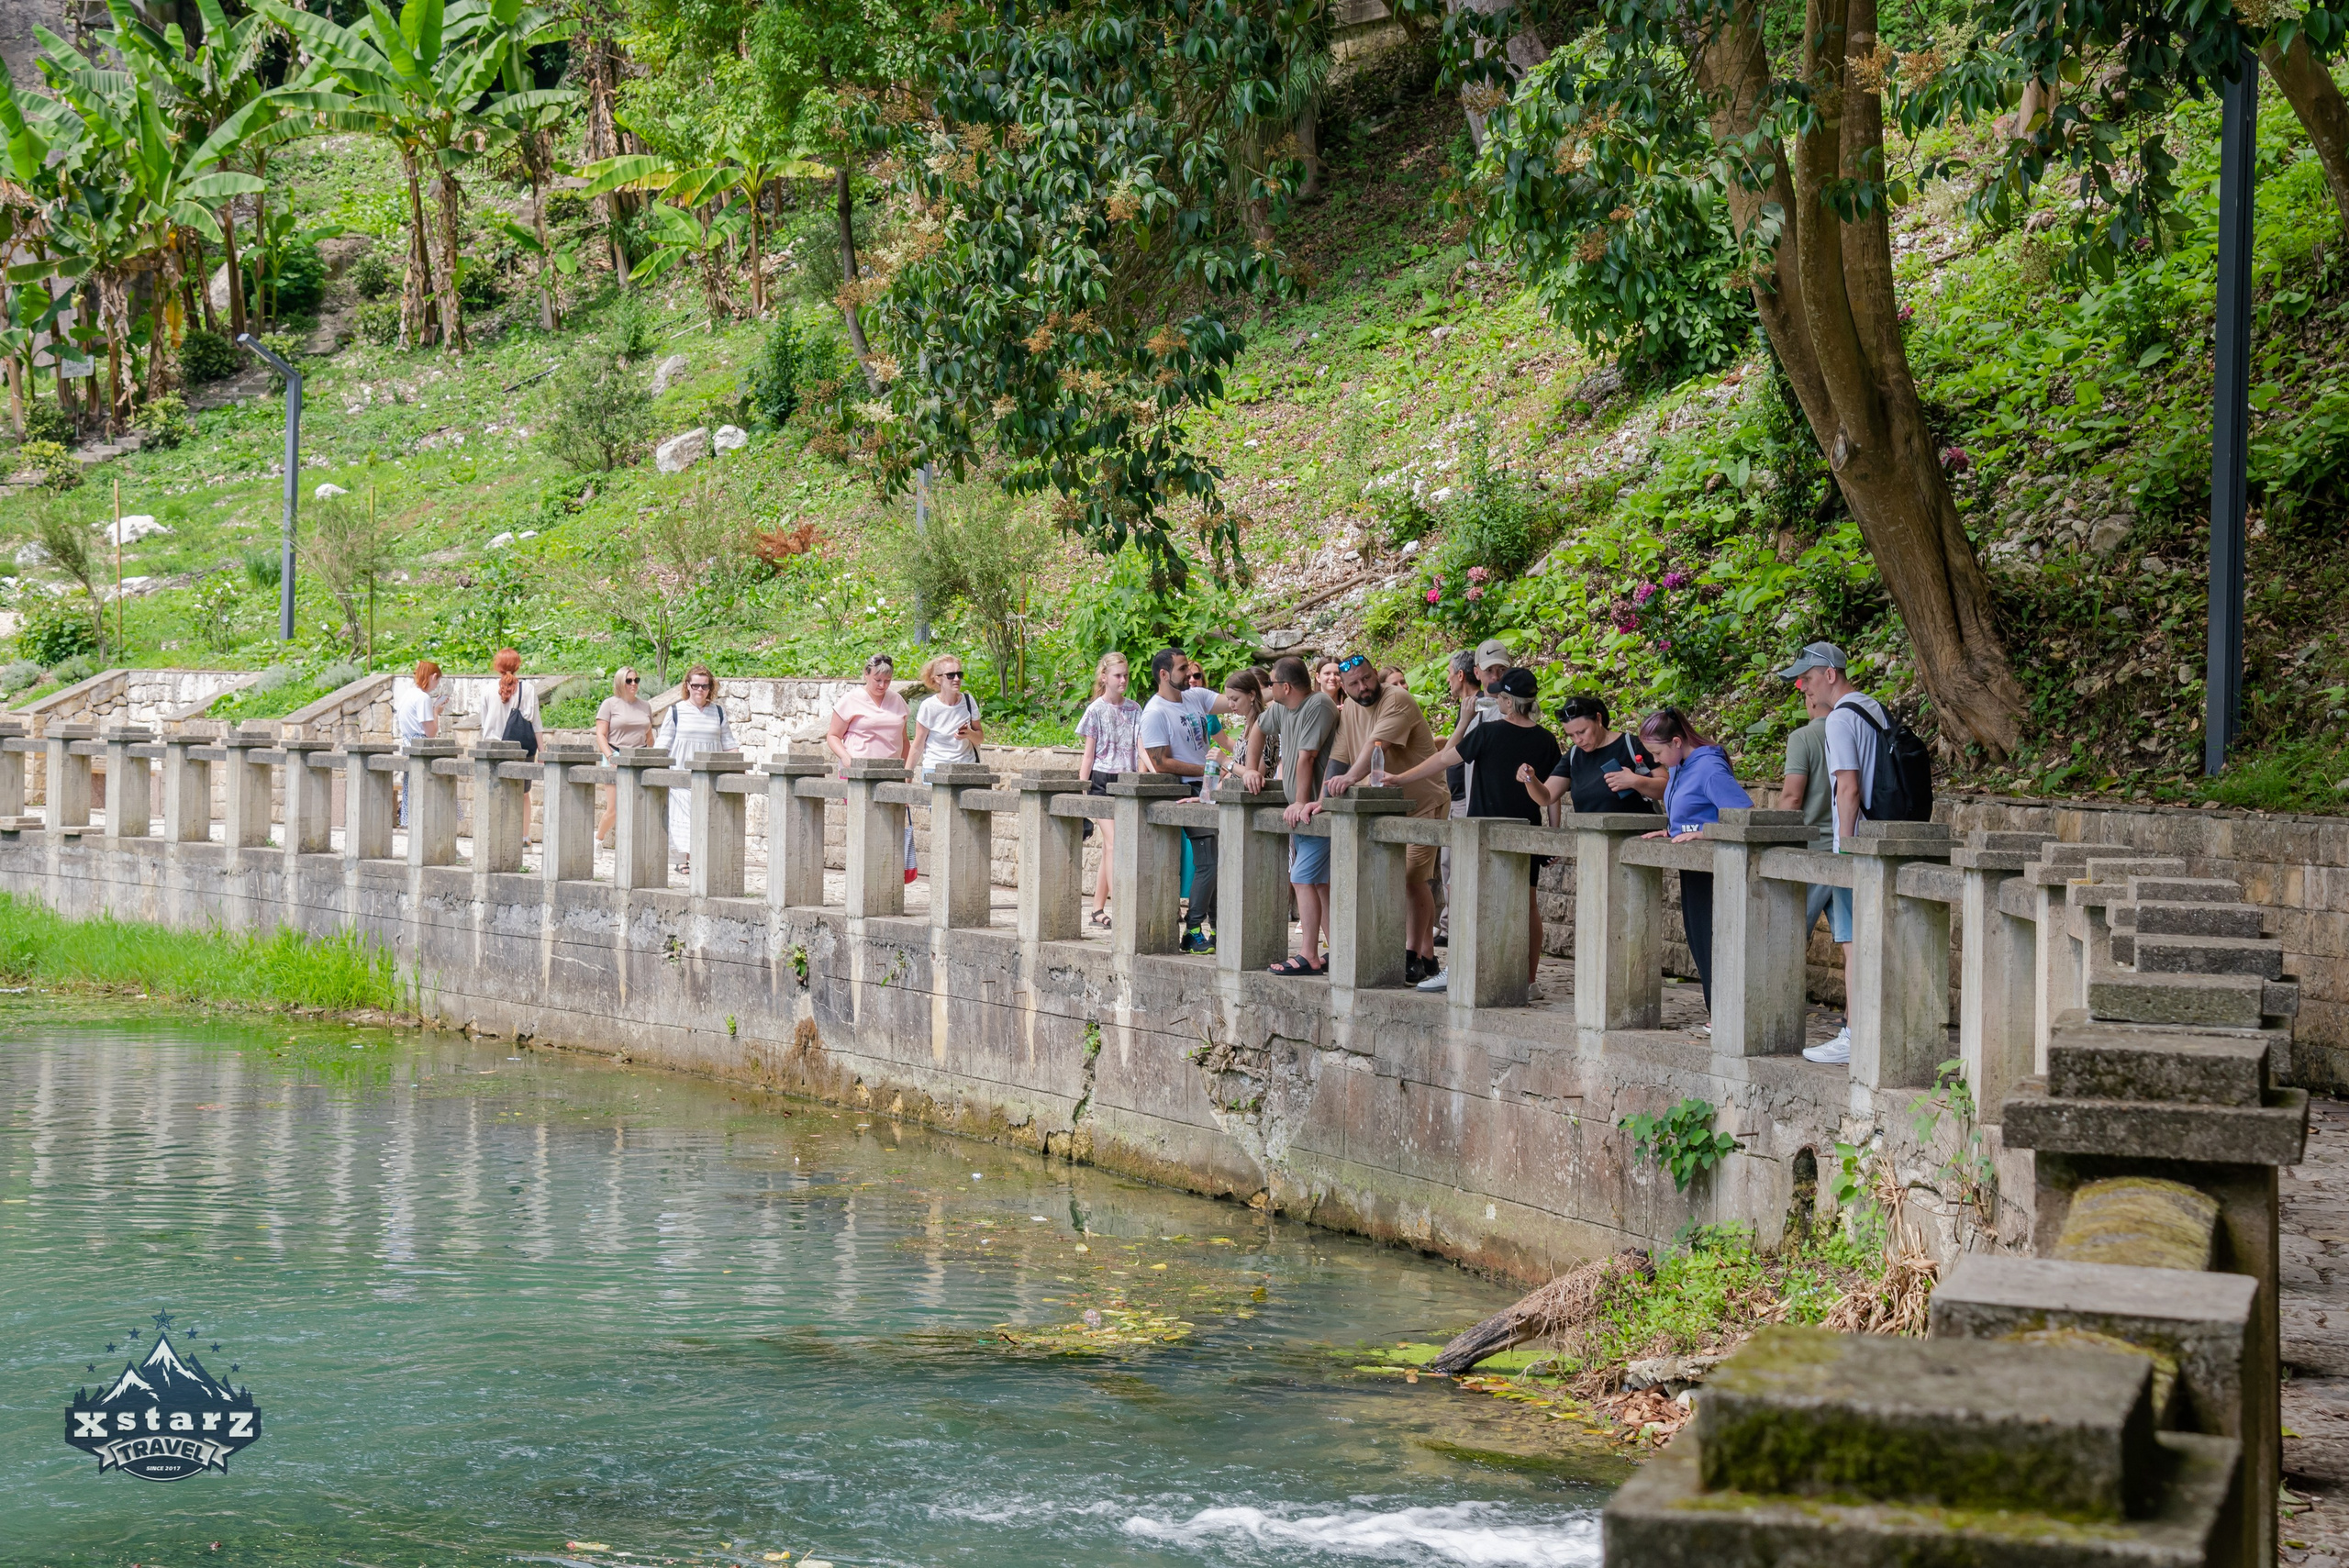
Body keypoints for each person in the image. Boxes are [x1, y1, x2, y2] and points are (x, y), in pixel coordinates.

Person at [1371, 667, 1561, 992]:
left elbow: (1445, 759)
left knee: (1472, 900)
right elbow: (1553, 791)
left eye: (1500, 696)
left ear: (1509, 703)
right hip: (1529, 829)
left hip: (1481, 828)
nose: (1495, 700)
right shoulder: (1546, 739)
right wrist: (1554, 834)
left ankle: (1462, 970)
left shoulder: (1487, 733)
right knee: (1528, 904)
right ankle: (1529, 979)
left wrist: (1401, 778)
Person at [1778, 641, 1887, 1065]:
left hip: (1852, 848)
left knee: (1851, 941)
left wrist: (1844, 850)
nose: (1802, 686)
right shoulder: (1873, 709)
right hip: (1882, 837)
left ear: (1829, 674)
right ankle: (1862, 1030)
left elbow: (1849, 788)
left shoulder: (1841, 719)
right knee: (1860, 941)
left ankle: (1854, 1035)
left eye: (1806, 678)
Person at [1317, 651, 1450, 983]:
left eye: (1367, 678)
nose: (1363, 687)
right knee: (1401, 878)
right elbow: (1339, 757)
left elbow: (1377, 746)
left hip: (1423, 800)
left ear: (1376, 673)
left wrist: (1349, 779)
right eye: (1354, 684)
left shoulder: (1397, 699)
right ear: (1344, 688)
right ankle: (1428, 957)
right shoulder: (1349, 712)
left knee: (1411, 878)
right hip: (1386, 806)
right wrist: (1319, 801)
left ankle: (1411, 954)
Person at [1637, 707, 1752, 1031]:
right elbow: (1688, 809)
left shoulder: (1710, 768)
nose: (1656, 760)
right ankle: (1718, 1012)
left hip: (1714, 869)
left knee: (1714, 939)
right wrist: (1672, 829)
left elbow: (1743, 813)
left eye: (1658, 752)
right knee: (1700, 939)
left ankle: (1727, 1015)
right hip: (1693, 865)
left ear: (1676, 742)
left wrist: (1705, 832)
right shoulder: (1678, 766)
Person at [1140, 647, 1241, 953]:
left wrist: (1269, 692)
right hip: (1187, 792)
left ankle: (1219, 928)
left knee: (1219, 861)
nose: (1189, 675)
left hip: (1208, 788)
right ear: (1164, 674)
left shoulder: (1195, 697)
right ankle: (1193, 930)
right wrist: (1210, 768)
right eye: (1183, 669)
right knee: (1209, 862)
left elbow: (1234, 702)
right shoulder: (1155, 712)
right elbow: (1161, 762)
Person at [1243, 656, 1337, 974]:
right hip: (1301, 813)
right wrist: (1252, 770)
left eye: (1271, 683)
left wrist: (1298, 802)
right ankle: (1336, 951)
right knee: (1319, 883)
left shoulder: (1318, 704)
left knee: (1301, 877)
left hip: (1314, 810)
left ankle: (1309, 954)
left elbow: (1307, 757)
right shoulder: (1282, 708)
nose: (1268, 689)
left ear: (1286, 686)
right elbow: (1258, 728)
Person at [828, 652, 915, 883]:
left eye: (887, 681)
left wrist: (907, 773)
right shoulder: (851, 699)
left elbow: (905, 740)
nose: (882, 685)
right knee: (864, 828)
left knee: (890, 828)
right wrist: (847, 759)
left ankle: (885, 878)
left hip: (891, 773)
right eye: (877, 680)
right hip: (859, 773)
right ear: (866, 675)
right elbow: (833, 736)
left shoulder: (897, 701)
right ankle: (863, 878)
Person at [1075, 651, 1142, 929]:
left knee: (1109, 846)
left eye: (1126, 675)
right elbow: (1088, 755)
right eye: (1118, 675)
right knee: (1115, 843)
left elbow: (1141, 748)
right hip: (1101, 779)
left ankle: (1097, 908)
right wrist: (1082, 791)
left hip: (1126, 779)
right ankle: (1122, 906)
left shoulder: (1135, 708)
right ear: (1104, 678)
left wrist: (1143, 776)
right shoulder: (1095, 710)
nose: (1123, 679)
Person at [1523, 694, 1664, 814]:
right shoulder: (1573, 756)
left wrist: (1635, 781)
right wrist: (1530, 779)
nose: (1578, 740)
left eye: (1582, 732)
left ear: (1598, 719)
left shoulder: (1631, 745)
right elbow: (1546, 797)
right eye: (1571, 735)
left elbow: (1667, 786)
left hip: (1636, 837)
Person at [656, 665, 736, 869]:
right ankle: (685, 861)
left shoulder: (717, 712)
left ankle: (697, 861)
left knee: (704, 822)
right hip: (681, 777)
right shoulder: (676, 711)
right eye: (695, 685)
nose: (700, 690)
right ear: (688, 686)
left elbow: (728, 744)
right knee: (684, 821)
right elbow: (662, 745)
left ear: (711, 688)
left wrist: (739, 771)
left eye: (705, 686)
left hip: (710, 778)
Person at [594, 668, 654, 846]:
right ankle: (598, 839)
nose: (633, 684)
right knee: (614, 808)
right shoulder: (610, 704)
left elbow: (649, 735)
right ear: (621, 682)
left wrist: (653, 756)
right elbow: (601, 735)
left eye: (636, 680)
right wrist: (611, 756)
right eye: (629, 681)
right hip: (616, 755)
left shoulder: (645, 706)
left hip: (639, 756)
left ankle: (633, 844)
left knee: (640, 805)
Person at [392, 659, 445, 828]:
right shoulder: (423, 698)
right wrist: (436, 711)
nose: (436, 685)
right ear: (433, 676)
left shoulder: (408, 694)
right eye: (437, 681)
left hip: (408, 745)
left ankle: (412, 824)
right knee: (431, 791)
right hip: (421, 748)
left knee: (412, 789)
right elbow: (430, 732)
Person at [910, 654, 983, 777]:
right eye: (950, 675)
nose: (956, 679)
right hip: (935, 769)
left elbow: (980, 738)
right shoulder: (929, 706)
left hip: (965, 768)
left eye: (959, 675)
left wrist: (969, 733)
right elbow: (918, 744)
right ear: (938, 679)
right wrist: (907, 774)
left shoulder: (969, 701)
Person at [478, 649, 540, 757]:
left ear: (497, 666)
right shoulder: (527, 689)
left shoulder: (487, 690)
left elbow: (484, 723)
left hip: (491, 750)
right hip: (521, 749)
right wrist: (542, 753)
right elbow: (536, 724)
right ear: (517, 666)